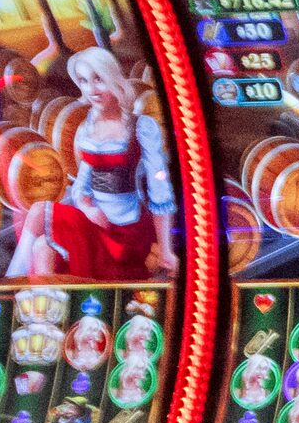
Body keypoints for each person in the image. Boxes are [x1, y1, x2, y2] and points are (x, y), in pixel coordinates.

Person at [9, 46, 175, 280]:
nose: (92, 89)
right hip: (93, 222)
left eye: (98, 79)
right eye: (84, 81)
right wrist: (87, 208)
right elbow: (82, 186)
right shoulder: (89, 124)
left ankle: (8, 284)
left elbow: (160, 190)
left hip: (126, 233)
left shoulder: (142, 126)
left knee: (38, 212)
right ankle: (36, 308)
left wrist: (166, 250)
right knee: (41, 248)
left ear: (113, 78)